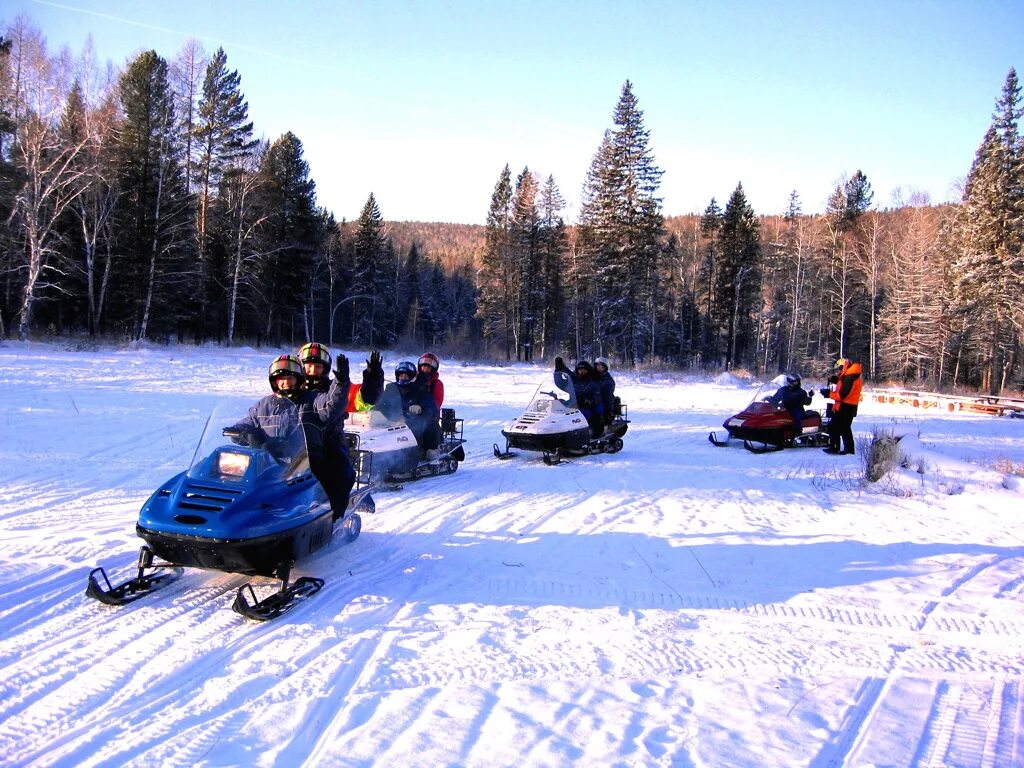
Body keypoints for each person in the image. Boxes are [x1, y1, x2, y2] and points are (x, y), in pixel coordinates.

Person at [230, 353, 352, 520]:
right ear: (274, 382)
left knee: (334, 478)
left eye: (290, 378)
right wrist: (242, 432)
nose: (285, 383)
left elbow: (331, 406)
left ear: (299, 379)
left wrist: (341, 383)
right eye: (281, 379)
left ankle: (331, 516)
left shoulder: (312, 399)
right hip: (270, 462)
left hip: (306, 460)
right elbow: (246, 423)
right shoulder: (263, 405)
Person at [379, 360, 441, 457]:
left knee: (429, 423)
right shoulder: (391, 388)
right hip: (394, 420)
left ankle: (431, 451)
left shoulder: (418, 388)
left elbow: (430, 404)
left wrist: (420, 408)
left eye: (406, 376)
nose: (403, 378)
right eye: (401, 375)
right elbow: (382, 403)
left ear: (411, 377)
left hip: (413, 420)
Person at [299, 342, 384, 413]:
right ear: (301, 368)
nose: (313, 370)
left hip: (329, 433)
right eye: (309, 366)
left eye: (318, 367)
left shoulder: (337, 389)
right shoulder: (293, 391)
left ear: (325, 369)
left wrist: (374, 378)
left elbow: (363, 401)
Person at [822, 357, 863, 455]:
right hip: (846, 406)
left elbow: (842, 395)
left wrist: (829, 394)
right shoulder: (850, 375)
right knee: (843, 428)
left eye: (840, 368)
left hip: (846, 407)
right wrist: (836, 380)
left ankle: (838, 448)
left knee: (837, 427)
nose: (839, 371)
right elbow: (843, 384)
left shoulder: (850, 377)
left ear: (844, 366)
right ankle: (844, 449)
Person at [555, 357, 605, 437]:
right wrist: (559, 367)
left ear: (588, 370)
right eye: (580, 369)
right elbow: (564, 376)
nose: (582, 371)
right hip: (574, 404)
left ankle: (596, 433)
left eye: (584, 369)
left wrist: (589, 401)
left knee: (595, 414)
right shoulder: (574, 378)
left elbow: (597, 396)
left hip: (588, 406)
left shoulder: (593, 382)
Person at [593, 356, 616, 427]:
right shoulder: (593, 376)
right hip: (590, 402)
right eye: (597, 365)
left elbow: (609, 396)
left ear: (605, 368)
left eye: (601, 366)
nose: (598, 367)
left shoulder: (608, 381)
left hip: (601, 403)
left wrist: (610, 411)